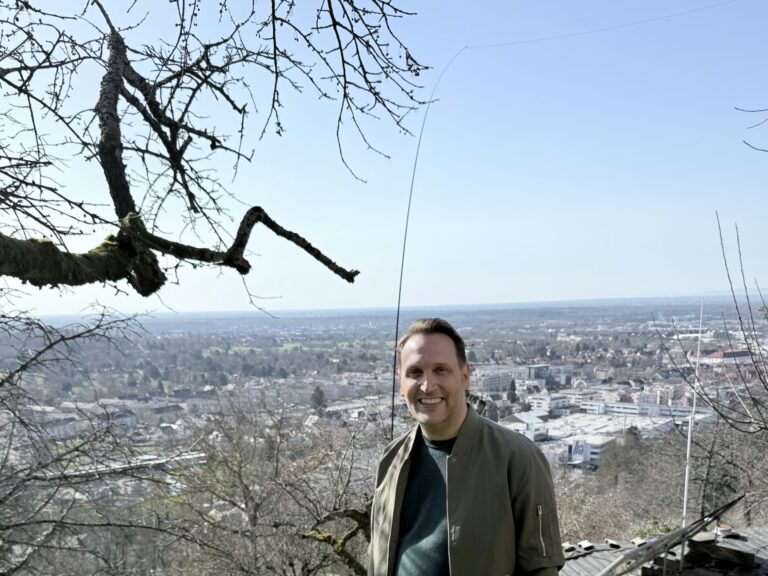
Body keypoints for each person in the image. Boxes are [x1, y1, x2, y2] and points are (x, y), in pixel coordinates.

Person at [369, 318, 564, 576]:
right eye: (415, 372)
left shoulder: (519, 459)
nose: (427, 386)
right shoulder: (392, 458)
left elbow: (542, 569)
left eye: (441, 370)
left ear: (465, 376)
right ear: (401, 383)